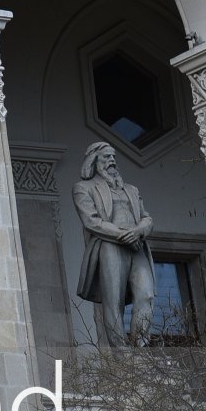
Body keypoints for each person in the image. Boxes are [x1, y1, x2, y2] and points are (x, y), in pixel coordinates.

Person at [73, 141, 155, 346]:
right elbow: (91, 221)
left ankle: (140, 348)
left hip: (137, 247)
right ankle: (121, 355)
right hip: (110, 246)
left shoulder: (131, 189)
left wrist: (138, 232)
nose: (112, 161)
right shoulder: (84, 188)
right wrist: (123, 235)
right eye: (106, 157)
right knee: (113, 302)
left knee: (146, 295)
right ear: (94, 161)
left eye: (113, 157)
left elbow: (146, 218)